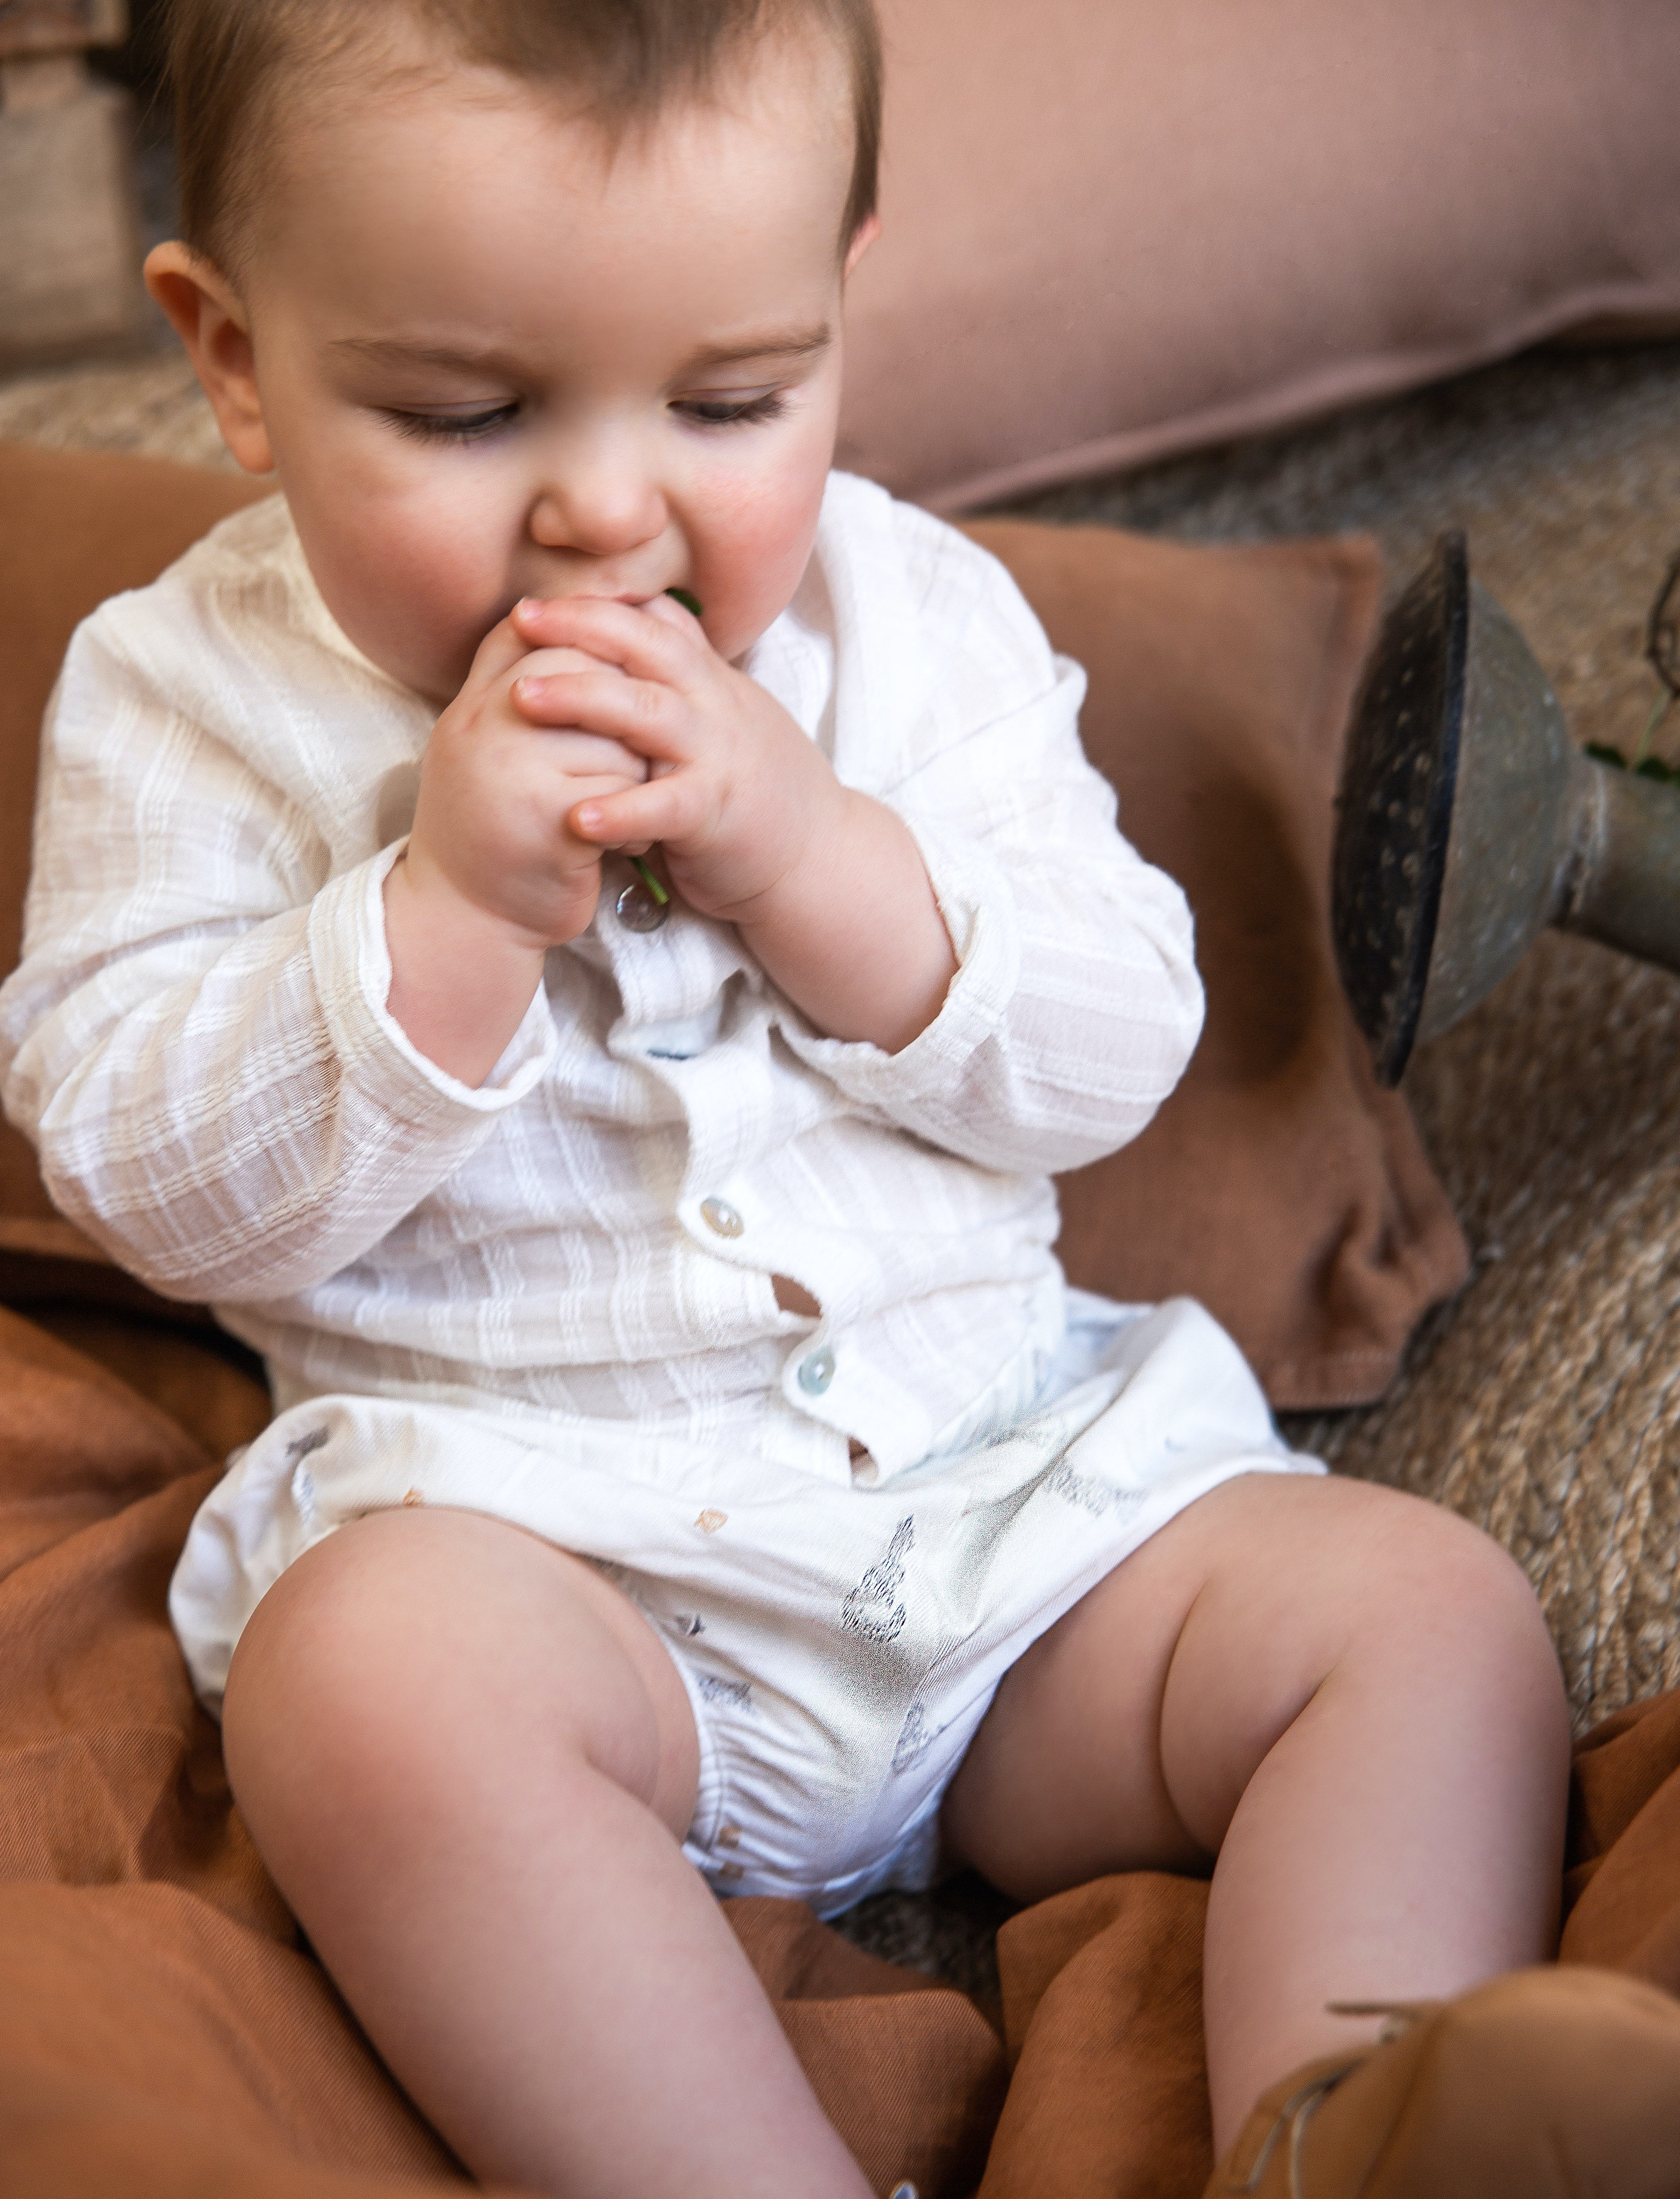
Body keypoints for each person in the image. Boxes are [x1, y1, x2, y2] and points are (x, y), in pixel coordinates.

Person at [7, 2, 1652, 2194]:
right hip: (556, 1576)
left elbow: (1108, 1041)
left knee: (1424, 1613)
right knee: (357, 1694)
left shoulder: (916, 625)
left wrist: (817, 856)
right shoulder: (179, 693)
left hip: (1016, 1528)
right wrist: (442, 917)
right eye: (468, 409)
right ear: (233, 358)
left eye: (730, 396)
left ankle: (1344, 2120)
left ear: (837, 308)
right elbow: (143, 1167)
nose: (609, 507)